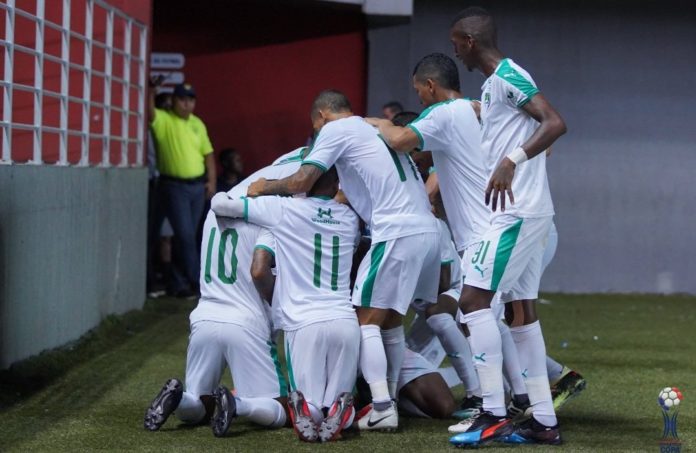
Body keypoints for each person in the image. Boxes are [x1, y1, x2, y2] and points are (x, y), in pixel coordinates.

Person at [247, 90, 440, 431]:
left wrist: (263, 186)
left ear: (321, 117)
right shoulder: (371, 127)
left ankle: (382, 407)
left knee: (365, 322)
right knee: (390, 320)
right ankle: (390, 400)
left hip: (396, 229)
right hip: (427, 229)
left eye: (315, 127)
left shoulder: (335, 129)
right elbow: (354, 188)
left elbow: (302, 180)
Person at [446, 6, 567, 446]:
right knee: (521, 313)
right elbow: (531, 127)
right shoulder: (494, 84)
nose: (455, 52)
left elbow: (555, 122)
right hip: (528, 211)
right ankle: (543, 421)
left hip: (518, 212)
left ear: (470, 41)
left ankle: (492, 413)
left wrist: (511, 160)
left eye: (456, 44)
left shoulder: (508, 75)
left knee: (472, 300)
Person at [142, 147, 309, 437]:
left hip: (205, 316)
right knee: (282, 409)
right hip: (246, 321)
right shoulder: (271, 214)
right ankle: (238, 405)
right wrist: (282, 306)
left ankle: (179, 399)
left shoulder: (215, 210)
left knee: (199, 405)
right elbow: (259, 270)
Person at [213, 167, 360, 443]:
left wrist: (227, 193)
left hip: (303, 321)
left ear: (302, 184)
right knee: (338, 400)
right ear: (336, 184)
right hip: (344, 319)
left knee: (310, 406)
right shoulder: (350, 218)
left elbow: (222, 206)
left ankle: (309, 410)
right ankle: (342, 411)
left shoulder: (283, 209)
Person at [149, 80, 216, 298]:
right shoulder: (165, 119)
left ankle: (179, 283)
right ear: (174, 101)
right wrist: (151, 92)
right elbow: (149, 113)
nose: (187, 104)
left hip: (197, 187)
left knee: (187, 236)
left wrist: (211, 181)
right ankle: (197, 283)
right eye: (182, 100)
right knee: (185, 235)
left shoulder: (198, 123)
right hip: (174, 186)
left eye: (190, 100)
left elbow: (208, 154)